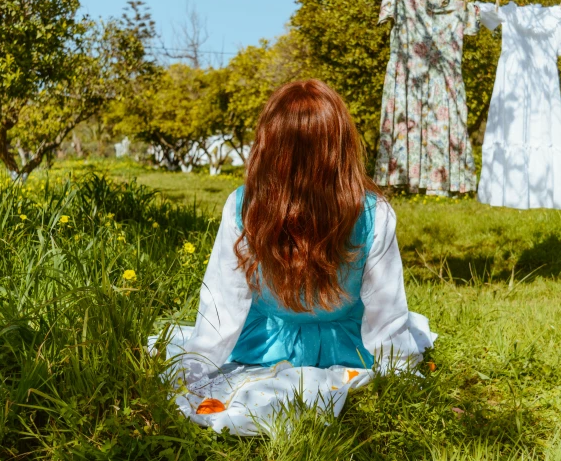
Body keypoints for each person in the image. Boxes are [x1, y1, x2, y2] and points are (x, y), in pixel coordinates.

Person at [153, 79, 435, 434]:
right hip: (346, 345)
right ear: (342, 148)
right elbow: (386, 317)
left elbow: (222, 307)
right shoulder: (375, 213)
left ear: (268, 147)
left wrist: (192, 368)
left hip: (265, 344)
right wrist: (403, 372)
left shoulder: (243, 206)